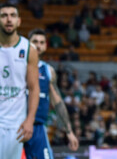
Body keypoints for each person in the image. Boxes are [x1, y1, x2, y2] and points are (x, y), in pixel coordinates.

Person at [24, 29, 79, 158]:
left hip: (38, 130)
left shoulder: (48, 71)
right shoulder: (18, 66)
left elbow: (58, 102)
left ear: (46, 46)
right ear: (27, 44)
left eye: (42, 42)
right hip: (17, 127)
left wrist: (69, 131)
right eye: (35, 42)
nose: (38, 45)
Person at [0, 3, 40, 159]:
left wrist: (30, 120)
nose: (8, 20)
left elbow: (34, 88)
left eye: (12, 15)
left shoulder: (28, 49)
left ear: (19, 21)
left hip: (15, 124)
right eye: (4, 16)